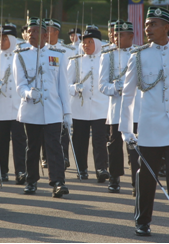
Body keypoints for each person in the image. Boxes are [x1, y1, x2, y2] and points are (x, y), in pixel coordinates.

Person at [119, 7, 169, 242]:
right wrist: (126, 130)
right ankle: (142, 222)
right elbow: (127, 95)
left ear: (166, 28)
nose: (147, 28)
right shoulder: (138, 55)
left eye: (153, 24)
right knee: (146, 177)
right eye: (147, 24)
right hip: (150, 127)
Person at [13, 17, 71, 198]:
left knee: (55, 146)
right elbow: (19, 84)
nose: (31, 34)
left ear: (46, 35)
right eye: (30, 31)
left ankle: (58, 182)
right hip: (31, 110)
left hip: (53, 109)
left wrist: (67, 112)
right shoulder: (21, 55)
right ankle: (31, 181)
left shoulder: (58, 55)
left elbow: (63, 86)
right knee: (32, 147)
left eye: (36, 31)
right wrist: (28, 93)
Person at [99, 20, 139, 194]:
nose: (117, 38)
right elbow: (102, 85)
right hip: (116, 108)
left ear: (131, 36)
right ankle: (114, 179)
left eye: (121, 35)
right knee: (114, 146)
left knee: (135, 146)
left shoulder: (139, 53)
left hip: (135, 109)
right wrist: (115, 88)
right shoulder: (108, 54)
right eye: (115, 34)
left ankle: (137, 181)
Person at [67, 25, 109, 182]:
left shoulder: (105, 59)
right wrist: (73, 88)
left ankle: (101, 169)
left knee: (100, 139)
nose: (86, 45)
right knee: (80, 140)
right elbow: (66, 83)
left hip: (100, 106)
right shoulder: (76, 61)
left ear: (98, 43)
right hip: (80, 107)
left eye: (90, 42)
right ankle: (82, 169)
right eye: (84, 42)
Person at [0, 24, 27, 185]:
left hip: (16, 106)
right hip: (0, 106)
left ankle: (21, 170)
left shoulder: (19, 56)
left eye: (5, 38)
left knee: (20, 140)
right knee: (0, 140)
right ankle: (1, 171)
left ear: (13, 40)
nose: (1, 41)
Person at [41, 18, 76, 169]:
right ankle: (45, 157)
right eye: (45, 30)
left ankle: (64, 157)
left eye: (49, 30)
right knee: (44, 127)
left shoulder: (68, 51)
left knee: (62, 129)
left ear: (56, 32)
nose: (46, 33)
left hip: (62, 93)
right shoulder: (41, 50)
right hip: (45, 96)